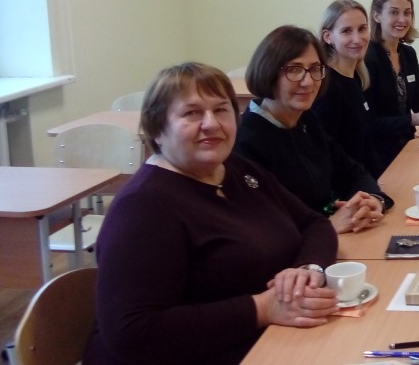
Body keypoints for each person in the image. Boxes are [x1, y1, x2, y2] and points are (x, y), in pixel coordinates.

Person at [84, 63, 338, 365]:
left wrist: (307, 269)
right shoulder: (142, 207)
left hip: (268, 342)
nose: (211, 124)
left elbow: (313, 223)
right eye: (192, 113)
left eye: (221, 110)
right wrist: (261, 308)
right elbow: (133, 333)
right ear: (157, 129)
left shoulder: (238, 170)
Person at [235, 26, 391, 235]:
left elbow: (351, 171)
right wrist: (326, 226)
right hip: (300, 249)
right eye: (294, 69)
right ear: (268, 72)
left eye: (315, 69)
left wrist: (373, 200)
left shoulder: (306, 120)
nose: (308, 81)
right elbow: (264, 227)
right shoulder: (246, 141)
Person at [363, 0, 419, 167]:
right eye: (394, 12)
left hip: (409, 146)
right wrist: (412, 119)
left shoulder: (408, 54)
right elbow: (369, 123)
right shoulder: (367, 58)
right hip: (379, 155)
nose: (402, 19)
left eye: (407, 13)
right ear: (377, 16)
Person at [311, 0, 384, 179]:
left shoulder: (357, 77)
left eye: (362, 29)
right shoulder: (327, 87)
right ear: (328, 37)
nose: (357, 39)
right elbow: (327, 156)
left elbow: (364, 143)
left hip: (368, 182)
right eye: (346, 31)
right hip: (350, 189)